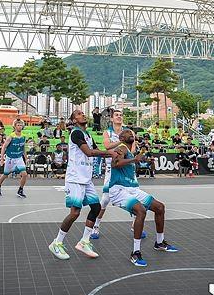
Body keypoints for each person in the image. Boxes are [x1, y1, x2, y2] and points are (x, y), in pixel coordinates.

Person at [48, 109, 117, 261]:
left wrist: (114, 153)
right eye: (78, 114)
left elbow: (96, 150)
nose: (83, 115)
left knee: (96, 208)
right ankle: (56, 243)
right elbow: (89, 153)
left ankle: (84, 241)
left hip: (86, 178)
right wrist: (109, 153)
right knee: (75, 213)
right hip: (75, 178)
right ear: (74, 120)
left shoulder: (88, 135)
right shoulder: (76, 133)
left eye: (82, 113)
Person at [109, 129, 178, 267]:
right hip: (119, 189)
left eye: (132, 133)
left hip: (132, 189)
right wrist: (135, 159)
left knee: (159, 207)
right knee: (141, 211)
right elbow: (115, 164)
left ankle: (159, 242)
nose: (131, 133)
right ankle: (135, 252)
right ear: (121, 138)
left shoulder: (129, 151)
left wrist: (140, 159)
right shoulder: (121, 148)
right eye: (127, 132)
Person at [91, 109, 146, 240]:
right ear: (111, 118)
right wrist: (122, 142)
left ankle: (134, 225)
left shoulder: (129, 132)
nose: (119, 117)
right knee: (105, 199)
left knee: (135, 196)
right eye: (116, 115)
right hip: (112, 169)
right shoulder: (107, 132)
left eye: (121, 115)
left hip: (127, 168)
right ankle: (96, 226)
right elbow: (107, 146)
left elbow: (132, 149)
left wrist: (120, 145)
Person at [0, 119, 28, 198]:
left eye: (21, 125)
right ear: (15, 126)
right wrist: (2, 159)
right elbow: (3, 147)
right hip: (10, 159)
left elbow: (23, 148)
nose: (19, 126)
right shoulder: (11, 137)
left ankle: (20, 190)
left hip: (19, 158)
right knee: (5, 174)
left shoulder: (23, 136)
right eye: (18, 125)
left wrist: (26, 158)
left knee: (24, 174)